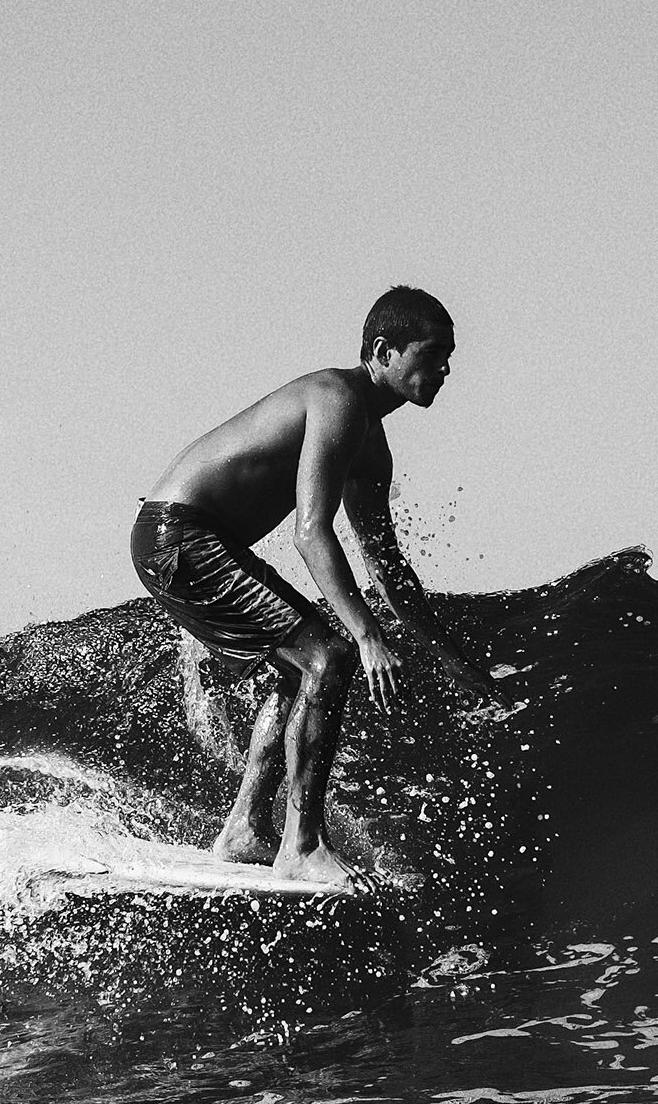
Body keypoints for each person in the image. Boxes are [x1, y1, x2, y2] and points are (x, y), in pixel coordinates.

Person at [131, 285, 492, 886]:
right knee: (331, 654)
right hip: (177, 536)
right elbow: (312, 533)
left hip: (196, 542)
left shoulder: (370, 447)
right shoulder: (338, 398)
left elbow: (388, 570)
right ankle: (301, 844)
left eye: (450, 355)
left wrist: (452, 663)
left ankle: (246, 826)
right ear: (384, 350)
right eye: (433, 354)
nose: (446, 368)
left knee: (300, 664)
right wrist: (367, 634)